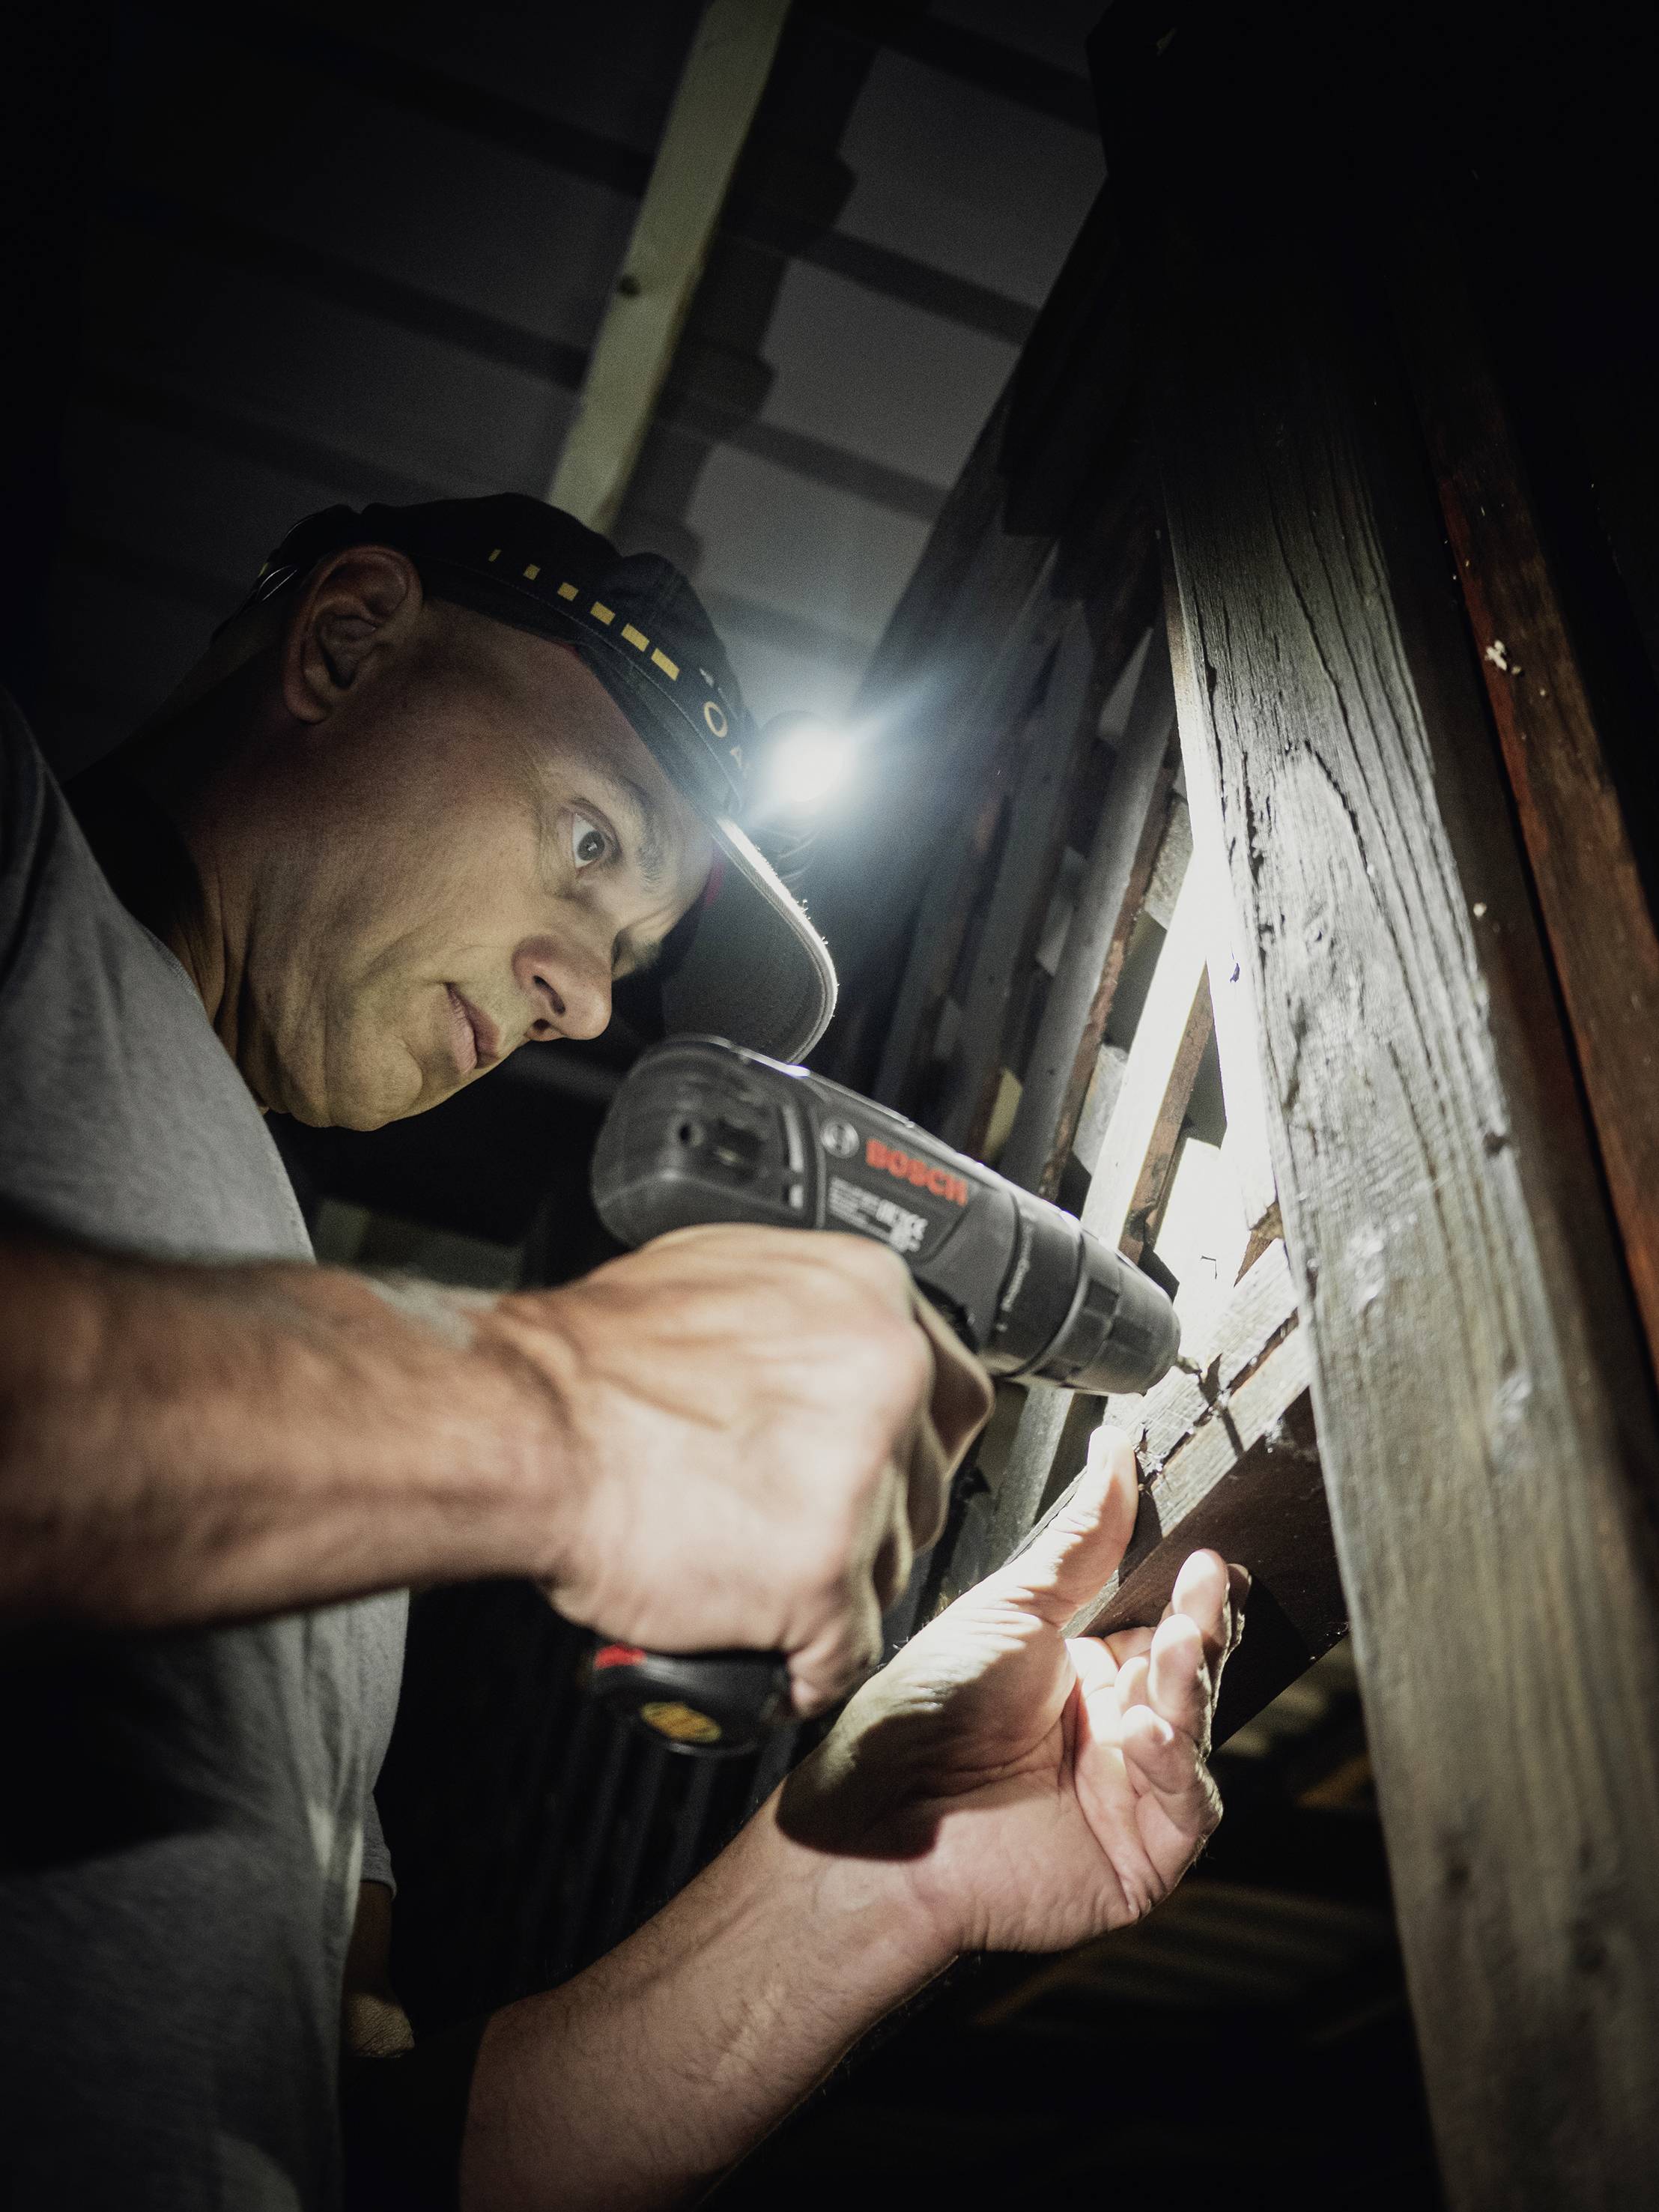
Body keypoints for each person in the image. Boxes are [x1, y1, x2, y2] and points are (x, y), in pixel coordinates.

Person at [0, 493, 1246, 2209]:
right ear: (346, 639)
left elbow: (381, 2161)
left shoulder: (334, 1520)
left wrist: (879, 1880)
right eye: (591, 847)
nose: (584, 1001)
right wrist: (552, 1411)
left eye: (630, 958)